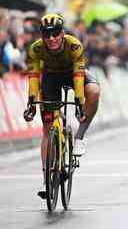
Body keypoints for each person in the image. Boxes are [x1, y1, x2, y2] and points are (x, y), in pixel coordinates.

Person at [23, 13, 100, 198]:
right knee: (48, 127)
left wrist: (80, 102)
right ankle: (46, 178)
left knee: (94, 91)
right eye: (46, 34)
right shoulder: (35, 49)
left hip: (74, 75)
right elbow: (34, 78)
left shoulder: (74, 45)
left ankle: (80, 136)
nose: (51, 38)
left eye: (55, 33)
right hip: (51, 78)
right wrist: (32, 103)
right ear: (41, 35)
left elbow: (79, 77)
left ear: (62, 32)